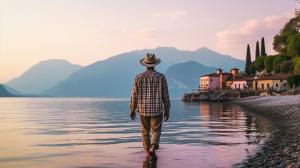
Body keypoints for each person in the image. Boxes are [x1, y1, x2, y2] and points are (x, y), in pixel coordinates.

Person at [130, 53, 170, 160]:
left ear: (145, 64)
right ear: (155, 64)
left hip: (143, 109)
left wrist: (132, 109)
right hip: (157, 109)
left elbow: (134, 94)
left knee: (145, 131)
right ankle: (153, 148)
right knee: (156, 130)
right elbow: (165, 94)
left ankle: (147, 152)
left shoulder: (138, 77)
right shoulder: (161, 77)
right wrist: (167, 109)